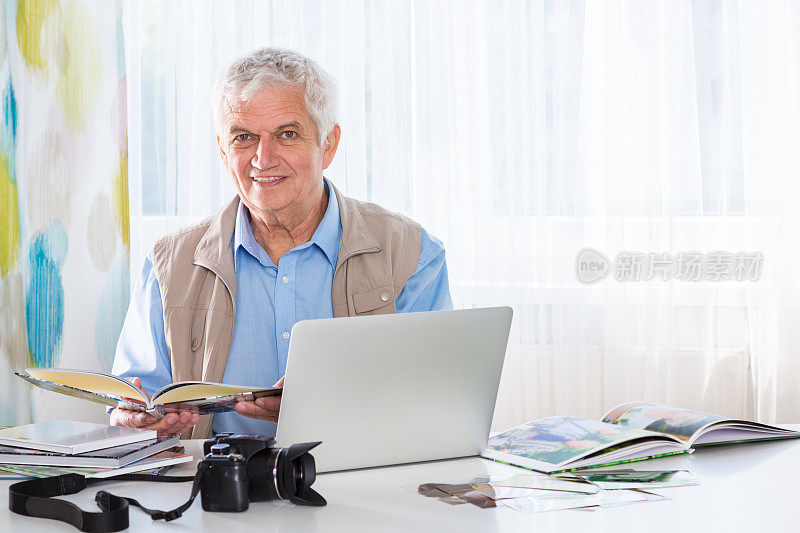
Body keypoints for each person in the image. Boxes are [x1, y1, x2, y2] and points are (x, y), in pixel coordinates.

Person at [110, 47, 452, 438]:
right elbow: (133, 407)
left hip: (360, 490)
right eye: (243, 137)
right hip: (211, 493)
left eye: (287, 134)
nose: (263, 157)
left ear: (329, 144)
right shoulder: (167, 264)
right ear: (223, 151)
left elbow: (437, 411)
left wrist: (324, 408)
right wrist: (134, 421)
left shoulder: (411, 254)